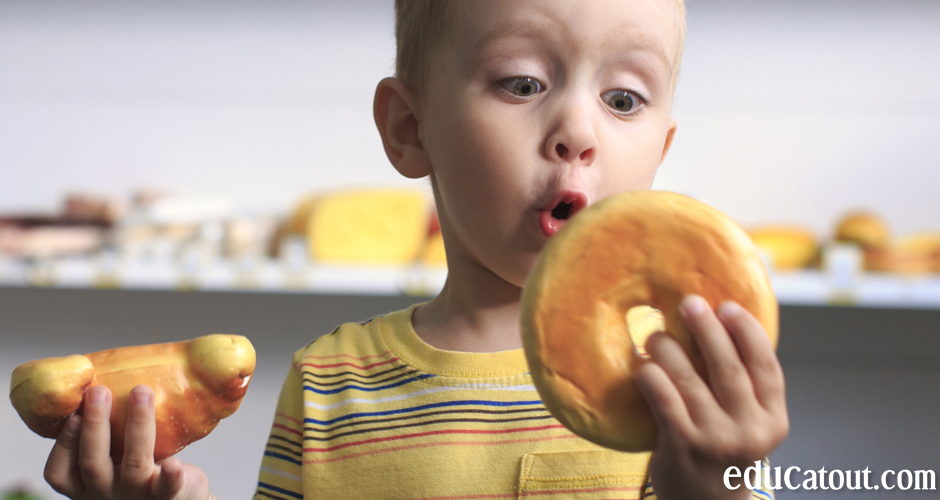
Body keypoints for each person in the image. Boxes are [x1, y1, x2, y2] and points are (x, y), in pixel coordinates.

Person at [42, 1, 790, 499]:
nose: (578, 131)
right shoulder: (331, 382)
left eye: (622, 98)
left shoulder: (673, 387)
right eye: (522, 82)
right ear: (409, 127)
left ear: (659, 150)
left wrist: (715, 487)